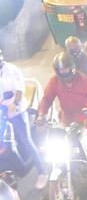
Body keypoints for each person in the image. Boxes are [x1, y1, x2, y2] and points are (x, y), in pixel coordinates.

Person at [37, 51, 87, 155]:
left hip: (85, 116)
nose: (63, 71)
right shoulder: (54, 81)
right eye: (60, 69)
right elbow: (47, 99)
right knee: (61, 139)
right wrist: (42, 114)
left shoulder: (84, 80)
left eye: (65, 68)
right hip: (67, 117)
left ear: (71, 67)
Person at [0, 48, 46, 187]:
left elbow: (19, 89)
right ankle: (7, 172)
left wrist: (14, 104)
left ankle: (42, 171)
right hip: (2, 114)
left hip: (17, 111)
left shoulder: (12, 70)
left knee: (26, 139)